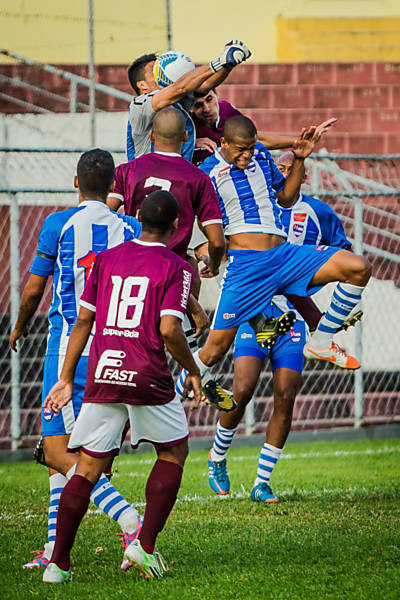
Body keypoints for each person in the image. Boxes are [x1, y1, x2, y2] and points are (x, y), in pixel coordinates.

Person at [42, 191, 202, 583]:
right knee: (173, 451)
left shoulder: (108, 259)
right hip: (146, 371)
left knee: (89, 466)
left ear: (138, 219)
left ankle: (58, 564)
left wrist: (65, 378)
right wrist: (193, 369)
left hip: (103, 370)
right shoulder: (177, 266)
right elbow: (168, 328)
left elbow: (83, 321)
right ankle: (143, 546)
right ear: (178, 226)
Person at [9, 149, 143, 569]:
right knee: (86, 453)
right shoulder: (131, 226)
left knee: (54, 452)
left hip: (70, 349)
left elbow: (33, 289)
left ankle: (130, 519)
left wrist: (19, 325)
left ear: (75, 182)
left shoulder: (57, 223)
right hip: (117, 350)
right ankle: (54, 551)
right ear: (111, 189)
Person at [177, 115, 371, 398]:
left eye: (251, 148)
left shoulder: (262, 158)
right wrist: (209, 254)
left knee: (358, 267)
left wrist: (301, 158)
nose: (247, 155)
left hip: (284, 255)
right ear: (224, 143)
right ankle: (170, 396)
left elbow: (287, 199)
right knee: (214, 351)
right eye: (240, 149)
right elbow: (201, 222)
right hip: (247, 267)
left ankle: (322, 340)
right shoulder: (206, 173)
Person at [207, 153, 355, 502]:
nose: (282, 174)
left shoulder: (316, 213)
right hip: (255, 312)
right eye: (279, 169)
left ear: (302, 176)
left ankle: (262, 481)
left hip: (293, 318)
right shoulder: (250, 207)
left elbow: (339, 255)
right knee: (242, 389)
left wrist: (323, 316)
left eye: (289, 170)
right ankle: (217, 457)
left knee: (285, 395)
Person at [109, 107, 231, 410]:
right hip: (171, 276)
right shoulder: (198, 178)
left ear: (151, 135)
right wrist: (212, 264)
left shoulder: (129, 169)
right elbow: (216, 240)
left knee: (126, 349)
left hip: (126, 272)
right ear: (187, 137)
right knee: (172, 335)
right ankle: (184, 382)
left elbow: (108, 214)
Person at [126, 40, 251, 161]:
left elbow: (205, 85)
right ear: (142, 85)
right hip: (148, 179)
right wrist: (221, 60)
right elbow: (180, 88)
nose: (162, 71)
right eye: (155, 70)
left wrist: (229, 63)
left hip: (178, 176)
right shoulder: (140, 105)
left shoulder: (175, 102)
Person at [190, 88, 337, 165]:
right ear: (190, 107)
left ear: (217, 94)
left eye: (209, 100)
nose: (207, 108)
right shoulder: (187, 123)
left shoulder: (227, 110)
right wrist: (190, 142)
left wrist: (296, 142)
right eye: (199, 105)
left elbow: (255, 138)